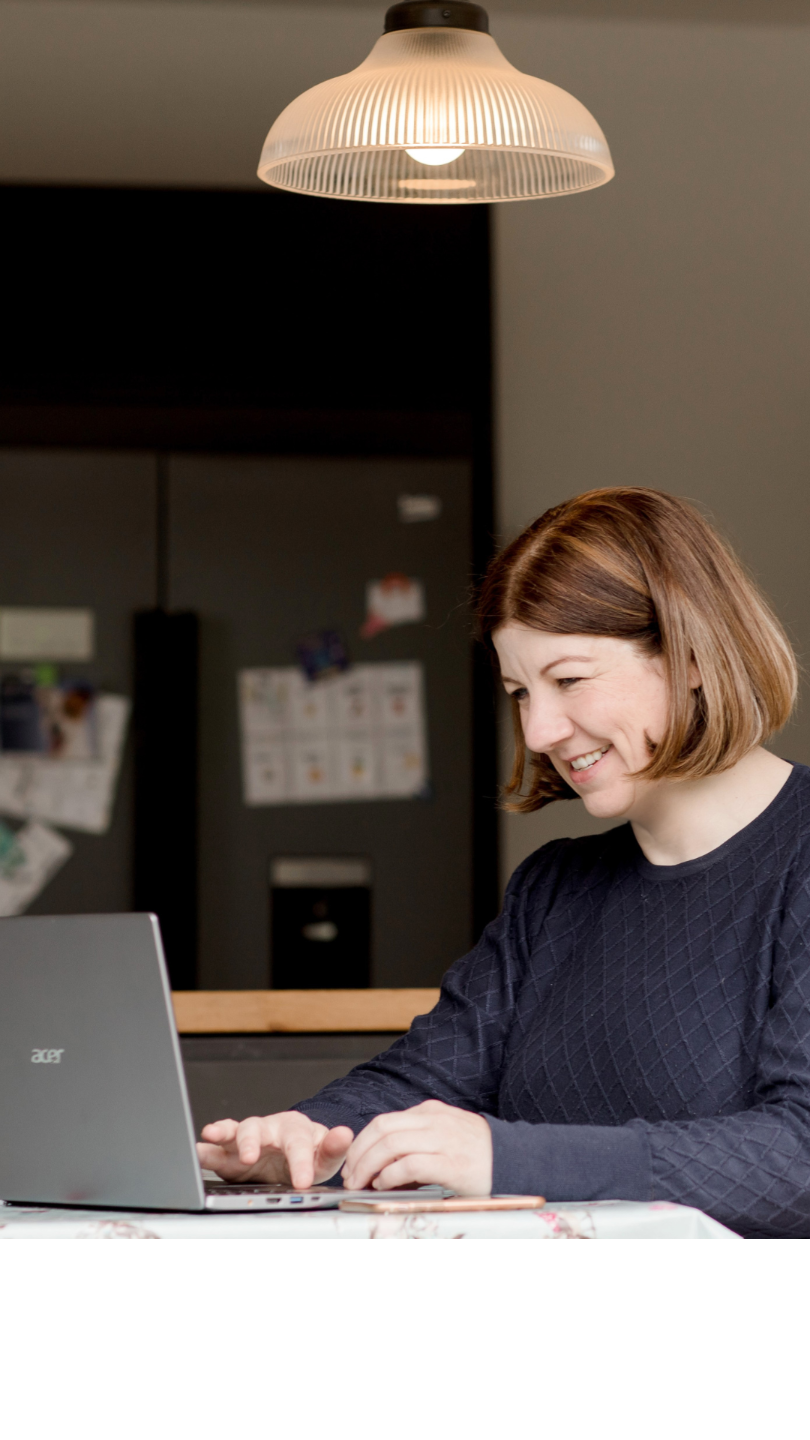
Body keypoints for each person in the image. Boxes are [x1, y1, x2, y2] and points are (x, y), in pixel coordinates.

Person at [199, 487, 810, 1238]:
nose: (543, 728)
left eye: (570, 679)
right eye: (520, 692)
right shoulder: (555, 890)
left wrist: (505, 1155)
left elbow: (798, 1157)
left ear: (689, 655)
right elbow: (424, 1081)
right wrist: (303, 1136)